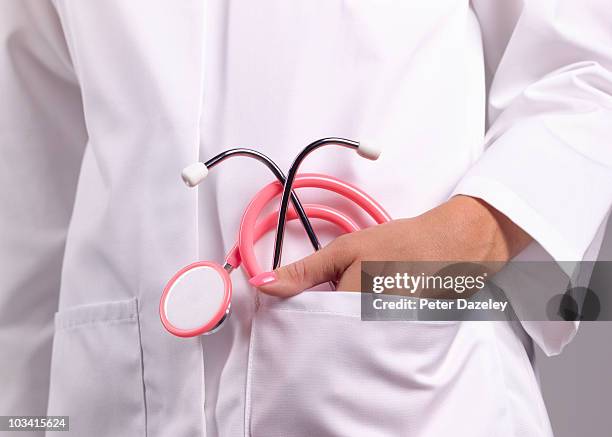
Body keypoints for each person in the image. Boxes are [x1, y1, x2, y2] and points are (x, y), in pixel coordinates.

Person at [1, 1, 611, 436]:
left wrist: (465, 242)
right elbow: (30, 193)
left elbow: (587, 69)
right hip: (115, 400)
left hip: (401, 389)